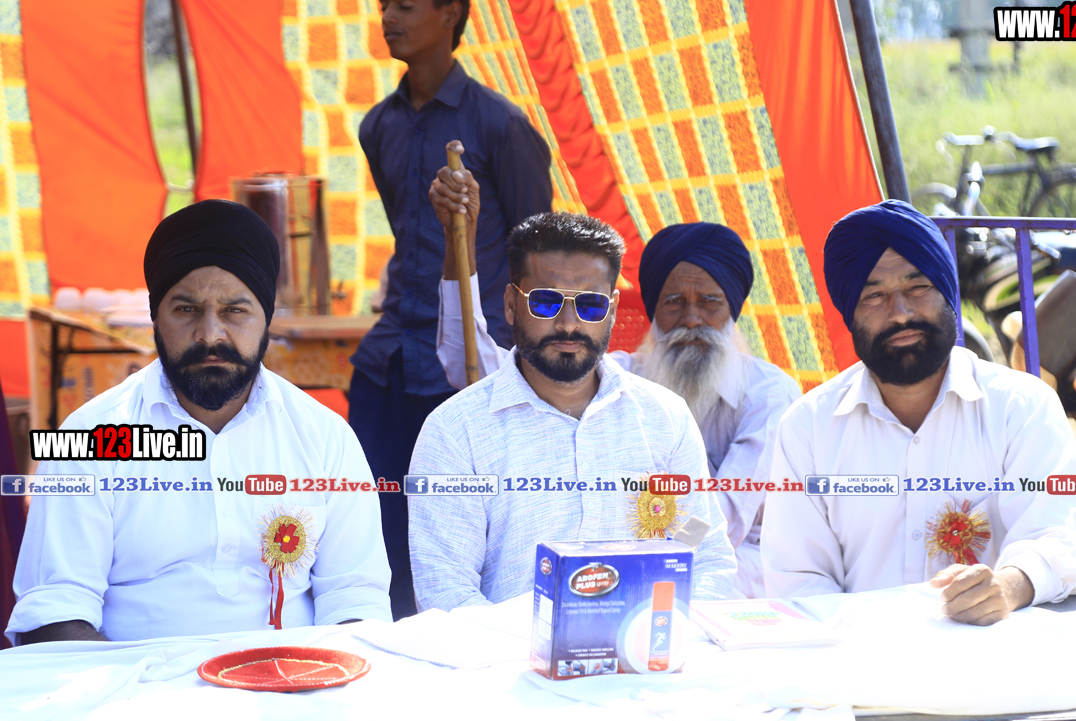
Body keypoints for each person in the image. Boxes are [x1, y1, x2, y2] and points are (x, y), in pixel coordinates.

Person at [761, 200, 1076, 721]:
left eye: (917, 287)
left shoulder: (1021, 406)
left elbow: (1057, 534)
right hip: (854, 693)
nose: (900, 312)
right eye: (874, 296)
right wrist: (868, 651)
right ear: (850, 314)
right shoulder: (808, 428)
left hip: (994, 682)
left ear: (948, 295)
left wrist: (1008, 586)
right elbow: (798, 580)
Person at [5, 200, 392, 644]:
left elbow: (355, 599)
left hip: (291, 678)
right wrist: (143, 684)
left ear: (267, 320)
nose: (210, 334)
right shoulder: (90, 435)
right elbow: (55, 610)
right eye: (186, 310)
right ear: (155, 318)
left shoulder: (324, 436)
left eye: (235, 311)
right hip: (134, 678)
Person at [433, 160, 797, 596]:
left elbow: (722, 520)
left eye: (709, 302)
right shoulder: (614, 374)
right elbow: (472, 364)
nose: (691, 318)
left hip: (722, 568)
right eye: (674, 301)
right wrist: (459, 250)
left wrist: (644, 577)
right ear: (653, 312)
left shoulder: (768, 394)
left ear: (732, 311)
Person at [350, 0, 554, 620]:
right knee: (374, 525)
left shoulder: (501, 126)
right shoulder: (377, 126)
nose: (388, 16)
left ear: (450, 14)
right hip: (391, 354)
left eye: (406, 5)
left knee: (458, 532)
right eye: (384, 6)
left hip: (471, 360)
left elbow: (538, 252)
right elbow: (402, 227)